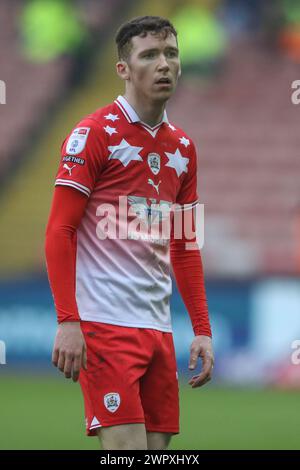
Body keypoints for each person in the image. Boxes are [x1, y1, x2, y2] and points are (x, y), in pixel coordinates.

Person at [45, 15, 214, 451]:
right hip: (104, 326)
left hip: (158, 330)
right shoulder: (93, 134)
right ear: (124, 69)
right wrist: (68, 320)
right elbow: (59, 230)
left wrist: (201, 329)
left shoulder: (183, 148)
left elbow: (185, 244)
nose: (164, 64)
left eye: (171, 54)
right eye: (150, 55)